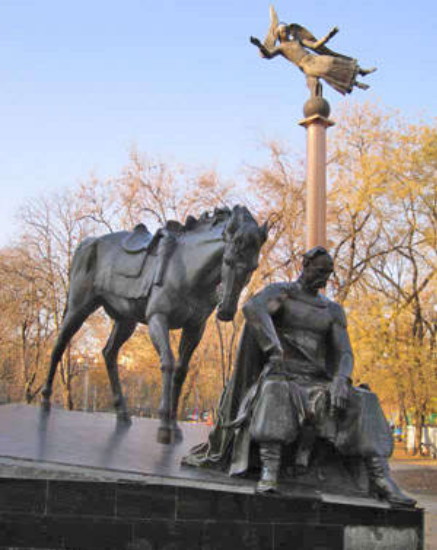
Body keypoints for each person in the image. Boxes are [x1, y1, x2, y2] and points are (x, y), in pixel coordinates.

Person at [184, 247, 415, 507]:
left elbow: (345, 353)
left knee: (366, 400)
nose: (325, 279)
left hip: (319, 380)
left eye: (328, 273)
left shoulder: (332, 311)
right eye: (320, 271)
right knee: (275, 391)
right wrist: (274, 349)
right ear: (305, 265)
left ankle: (381, 478)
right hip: (282, 375)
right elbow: (252, 308)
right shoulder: (281, 293)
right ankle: (269, 470)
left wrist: (341, 379)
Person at [250, 6, 376, 97]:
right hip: (306, 65)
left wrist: (329, 36)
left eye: (287, 30)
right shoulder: (280, 48)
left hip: (313, 58)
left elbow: (315, 45)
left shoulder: (297, 41)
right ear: (278, 34)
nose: (286, 32)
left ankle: (361, 71)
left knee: (334, 61)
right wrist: (260, 45)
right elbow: (268, 54)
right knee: (328, 72)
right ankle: (356, 83)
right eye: (283, 31)